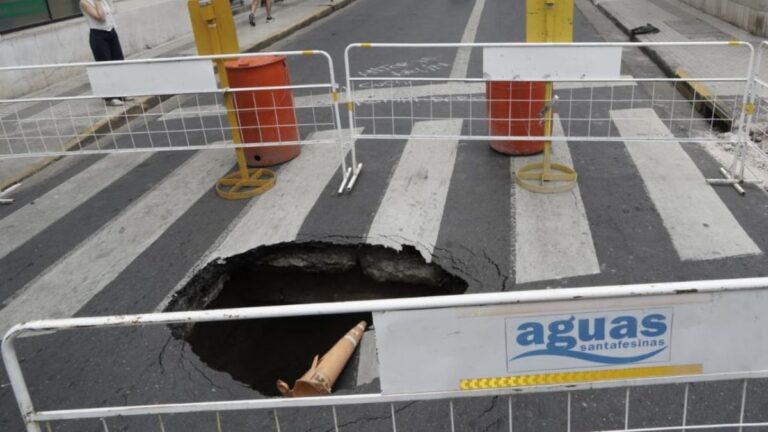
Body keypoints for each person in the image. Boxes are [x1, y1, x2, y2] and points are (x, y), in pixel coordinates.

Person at [80, 0, 125, 106]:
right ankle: (110, 98)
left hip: (111, 32)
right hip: (98, 35)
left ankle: (123, 93)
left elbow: (110, 14)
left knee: (119, 61)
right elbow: (101, 17)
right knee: (105, 65)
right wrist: (97, 2)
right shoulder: (84, 2)